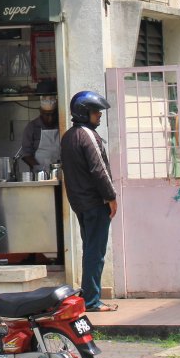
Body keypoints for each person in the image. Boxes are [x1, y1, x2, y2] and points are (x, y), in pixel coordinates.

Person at [60, 90, 118, 312]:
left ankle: (89, 296)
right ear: (85, 113)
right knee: (96, 252)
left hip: (80, 204)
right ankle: (92, 301)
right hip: (94, 203)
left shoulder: (68, 136)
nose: (99, 116)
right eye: (96, 112)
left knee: (90, 250)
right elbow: (99, 170)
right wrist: (111, 196)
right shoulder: (88, 136)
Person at [19, 82, 61, 172]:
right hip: (39, 175)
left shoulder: (62, 125)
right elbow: (26, 154)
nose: (50, 119)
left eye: (53, 115)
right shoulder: (32, 127)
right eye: (47, 115)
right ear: (41, 112)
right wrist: (39, 169)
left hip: (60, 172)